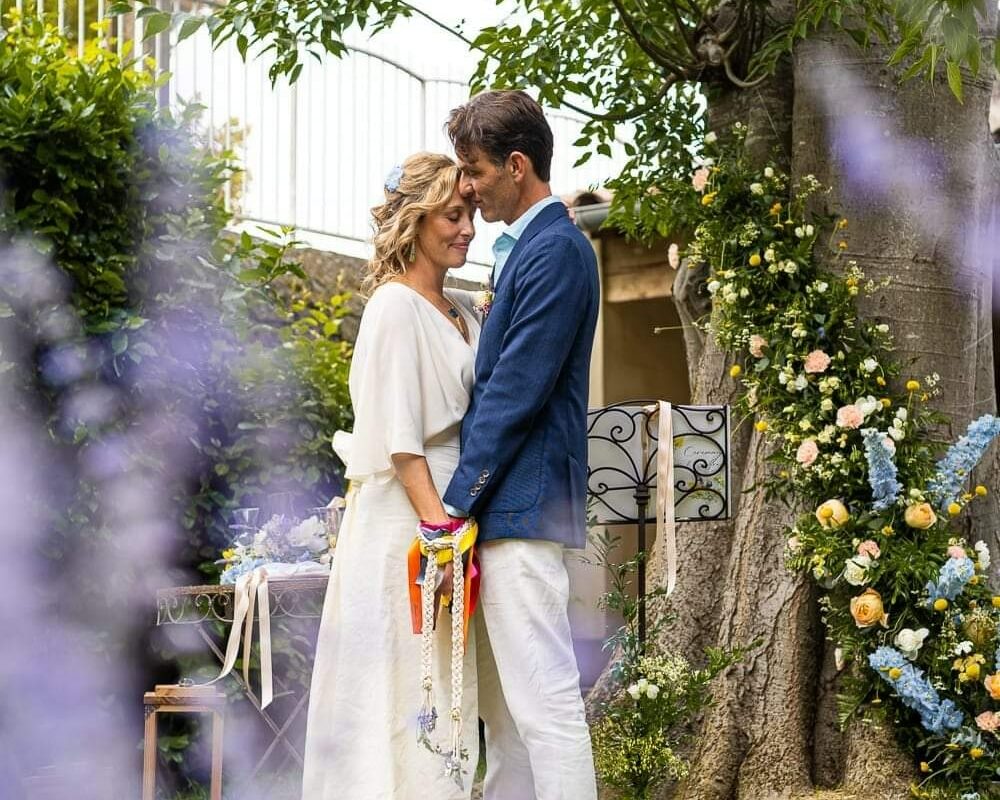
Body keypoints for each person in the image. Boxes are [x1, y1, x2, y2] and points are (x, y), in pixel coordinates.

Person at [300, 152, 482, 800]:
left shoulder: (462, 307)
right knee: (396, 681)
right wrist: (438, 530)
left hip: (452, 508)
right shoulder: (393, 308)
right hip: (410, 517)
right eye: (453, 216)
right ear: (416, 218)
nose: (467, 229)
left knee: (441, 677)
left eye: (471, 215)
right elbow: (403, 441)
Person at [442, 90, 600, 800]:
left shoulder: (557, 250)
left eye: (473, 171)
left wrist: (453, 507)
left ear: (515, 164)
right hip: (507, 511)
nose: (467, 189)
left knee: (546, 708)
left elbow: (514, 395)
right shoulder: (533, 248)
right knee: (503, 723)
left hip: (521, 508)